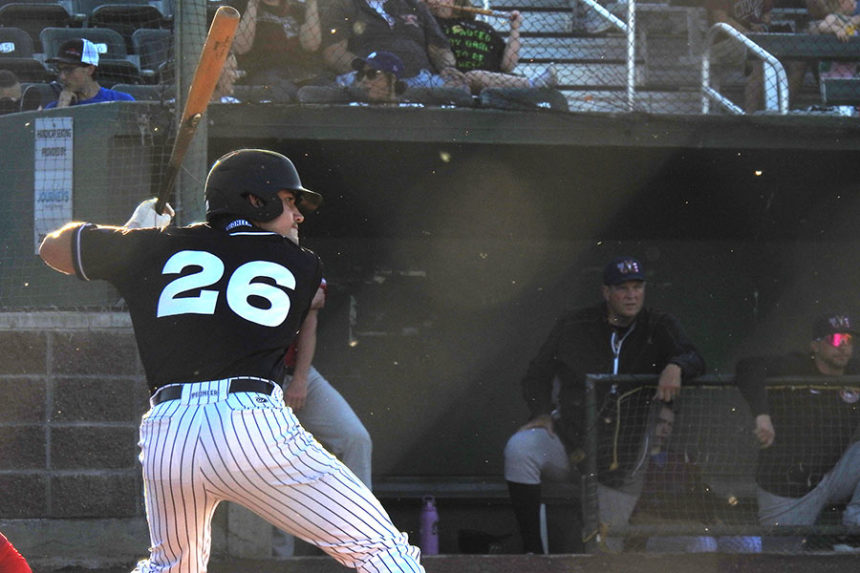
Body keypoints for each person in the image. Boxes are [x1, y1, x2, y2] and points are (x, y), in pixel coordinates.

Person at [37, 149, 425, 573]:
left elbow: (51, 249)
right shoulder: (302, 263)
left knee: (171, 567)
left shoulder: (153, 247)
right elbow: (233, 260)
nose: (298, 216)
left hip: (169, 434)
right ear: (256, 200)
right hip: (249, 425)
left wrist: (130, 237)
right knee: (381, 549)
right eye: (289, 201)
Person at [503, 256, 705, 553]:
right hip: (570, 441)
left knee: (604, 550)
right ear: (606, 292)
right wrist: (542, 412)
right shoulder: (575, 323)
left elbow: (694, 357)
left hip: (621, 460)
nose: (631, 295)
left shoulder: (658, 325)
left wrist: (676, 365)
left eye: (637, 287)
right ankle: (532, 553)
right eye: (622, 288)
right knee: (520, 449)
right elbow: (537, 373)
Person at [735, 312, 860, 551]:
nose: (843, 346)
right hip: (788, 492)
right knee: (782, 557)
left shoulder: (855, 371)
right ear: (815, 346)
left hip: (830, 477)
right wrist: (762, 415)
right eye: (834, 340)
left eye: (848, 340)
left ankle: (855, 531)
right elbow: (747, 366)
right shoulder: (796, 365)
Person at [272, 277, 374, 556]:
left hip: (299, 374)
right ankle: (279, 558)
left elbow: (309, 321)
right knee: (274, 461)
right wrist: (303, 299)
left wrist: (300, 380)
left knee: (356, 438)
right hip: (260, 381)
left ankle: (364, 537)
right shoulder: (254, 263)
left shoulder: (305, 264)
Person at [319, 0, 469, 91]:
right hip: (366, 79)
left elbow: (440, 49)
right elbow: (334, 53)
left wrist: (448, 68)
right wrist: (370, 71)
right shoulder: (343, 4)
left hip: (420, 80)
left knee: (458, 90)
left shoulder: (415, 5)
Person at [423, 0, 557, 94]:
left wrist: (515, 29)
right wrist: (425, 8)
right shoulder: (433, 24)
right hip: (458, 78)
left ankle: (533, 84)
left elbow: (507, 65)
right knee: (472, 76)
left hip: (490, 77)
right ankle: (533, 84)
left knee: (478, 75)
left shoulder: (484, 27)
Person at [231, 0, 332, 102]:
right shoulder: (242, 7)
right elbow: (241, 47)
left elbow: (311, 45)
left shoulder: (297, 9)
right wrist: (252, 5)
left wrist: (311, 4)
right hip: (265, 71)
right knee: (288, 93)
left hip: (302, 70)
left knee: (322, 88)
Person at [44, 38, 134, 109]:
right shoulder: (54, 108)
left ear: (90, 69)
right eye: (59, 70)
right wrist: (61, 109)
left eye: (69, 69)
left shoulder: (121, 101)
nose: (62, 77)